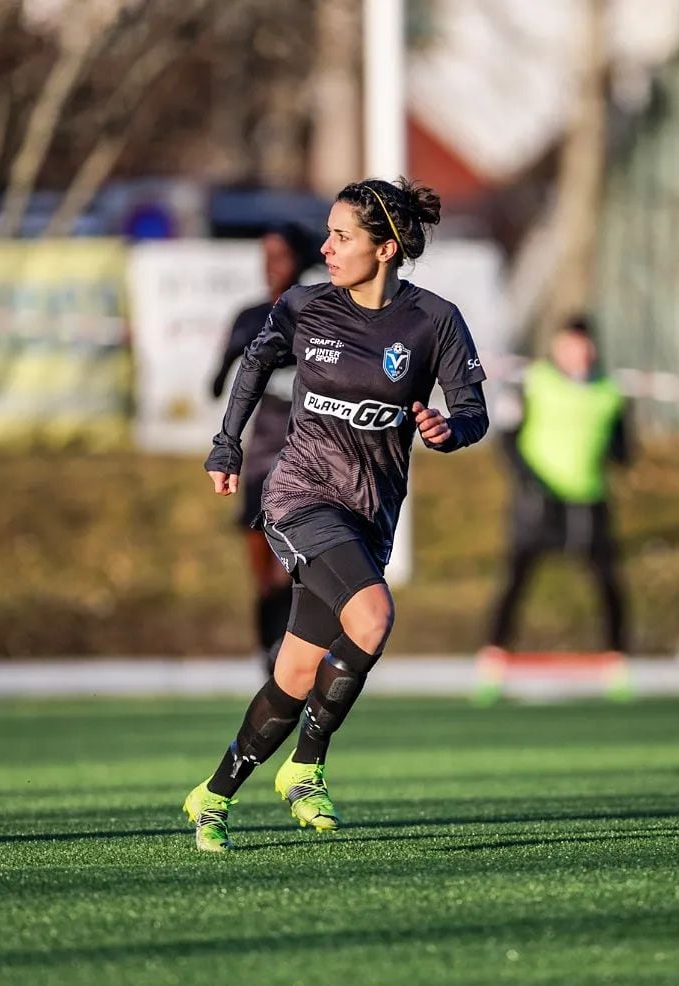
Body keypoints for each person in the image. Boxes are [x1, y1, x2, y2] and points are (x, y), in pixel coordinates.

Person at [184, 177, 489, 852]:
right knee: (374, 615)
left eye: (342, 237)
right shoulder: (304, 308)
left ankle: (211, 795)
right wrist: (227, 443)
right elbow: (254, 364)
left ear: (384, 249)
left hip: (369, 514)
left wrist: (449, 429)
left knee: (295, 674)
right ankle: (306, 768)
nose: (326, 247)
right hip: (298, 496)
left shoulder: (433, 320)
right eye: (327, 233)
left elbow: (474, 411)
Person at [482, 315, 631, 661]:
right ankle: (495, 650)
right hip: (539, 500)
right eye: (569, 346)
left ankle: (617, 653)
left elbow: (623, 445)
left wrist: (615, 455)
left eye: (582, 345)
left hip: (588, 498)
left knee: (607, 579)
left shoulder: (609, 390)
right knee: (517, 576)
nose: (577, 353)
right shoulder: (534, 382)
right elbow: (506, 440)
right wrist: (529, 479)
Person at [211, 224, 315, 674]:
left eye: (280, 254)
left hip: (310, 448)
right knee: (263, 572)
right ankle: (266, 655)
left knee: (290, 569)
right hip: (262, 450)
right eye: (265, 254)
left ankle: (292, 653)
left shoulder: (319, 314)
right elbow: (216, 382)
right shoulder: (251, 316)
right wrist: (235, 357)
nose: (271, 264)